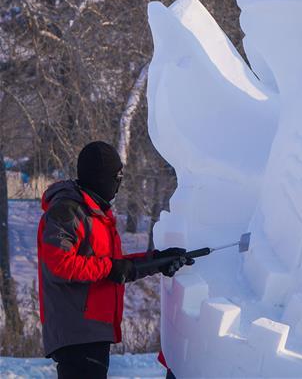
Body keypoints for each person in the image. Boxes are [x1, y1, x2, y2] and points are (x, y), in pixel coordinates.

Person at [37, 140, 193, 379]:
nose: (118, 186)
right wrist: (112, 267)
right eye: (116, 178)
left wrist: (156, 261)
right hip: (76, 330)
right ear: (100, 178)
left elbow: (115, 266)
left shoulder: (96, 214)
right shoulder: (67, 211)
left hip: (93, 330)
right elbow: (59, 264)